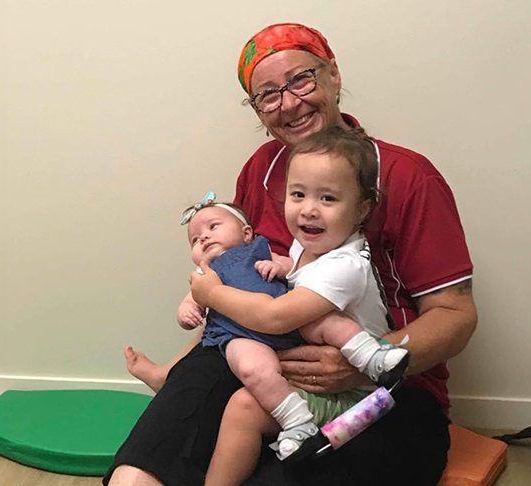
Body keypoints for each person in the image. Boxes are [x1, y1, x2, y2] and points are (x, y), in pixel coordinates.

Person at [105, 22, 477, 486]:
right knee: (145, 464)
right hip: (262, 361)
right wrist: (180, 364)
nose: (289, 103)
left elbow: (456, 315)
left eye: (301, 79)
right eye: (268, 95)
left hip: (384, 390)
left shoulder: (408, 176)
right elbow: (235, 287)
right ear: (258, 110)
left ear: (334, 76)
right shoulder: (260, 171)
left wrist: (362, 358)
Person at [191, 127, 408, 486]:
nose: (308, 210)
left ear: (361, 210)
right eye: (298, 194)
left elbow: (276, 317)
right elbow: (299, 278)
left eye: (327, 199)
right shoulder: (306, 249)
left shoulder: (344, 266)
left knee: (242, 409)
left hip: (353, 394)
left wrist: (212, 294)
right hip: (316, 371)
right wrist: (282, 265)